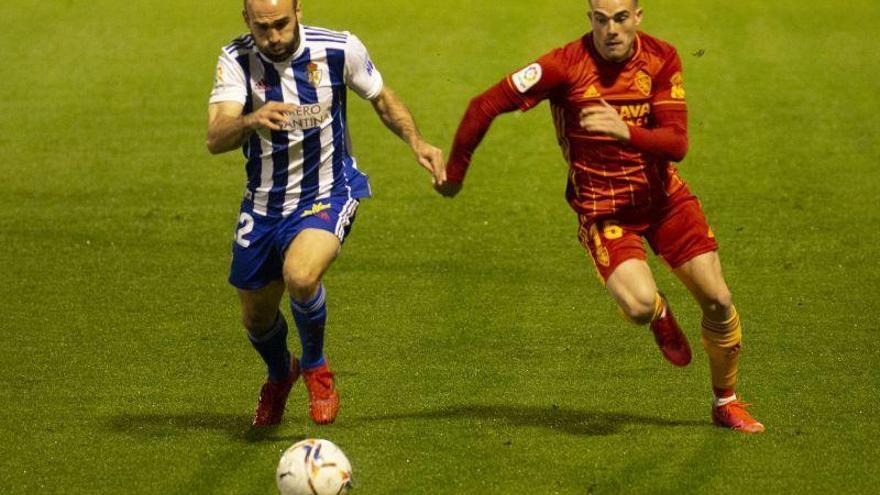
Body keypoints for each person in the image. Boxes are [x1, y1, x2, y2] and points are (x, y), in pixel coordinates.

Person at [435, 0, 764, 432]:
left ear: (638, 17)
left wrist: (624, 130)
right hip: (604, 210)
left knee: (719, 300)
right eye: (601, 19)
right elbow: (485, 104)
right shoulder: (563, 66)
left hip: (665, 200)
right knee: (640, 305)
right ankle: (661, 314)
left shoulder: (662, 58)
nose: (612, 29)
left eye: (621, 18)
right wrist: (456, 174)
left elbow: (677, 143)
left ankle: (726, 401)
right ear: (590, 18)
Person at [206, 0, 444, 427]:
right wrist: (252, 119)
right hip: (263, 204)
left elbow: (382, 98)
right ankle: (282, 374)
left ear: (299, 10)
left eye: (281, 24)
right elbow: (215, 136)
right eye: (263, 28)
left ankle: (316, 367)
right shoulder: (237, 59)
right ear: (247, 21)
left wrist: (418, 142)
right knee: (256, 318)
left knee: (301, 275)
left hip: (328, 191)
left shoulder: (338, 49)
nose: (273, 37)